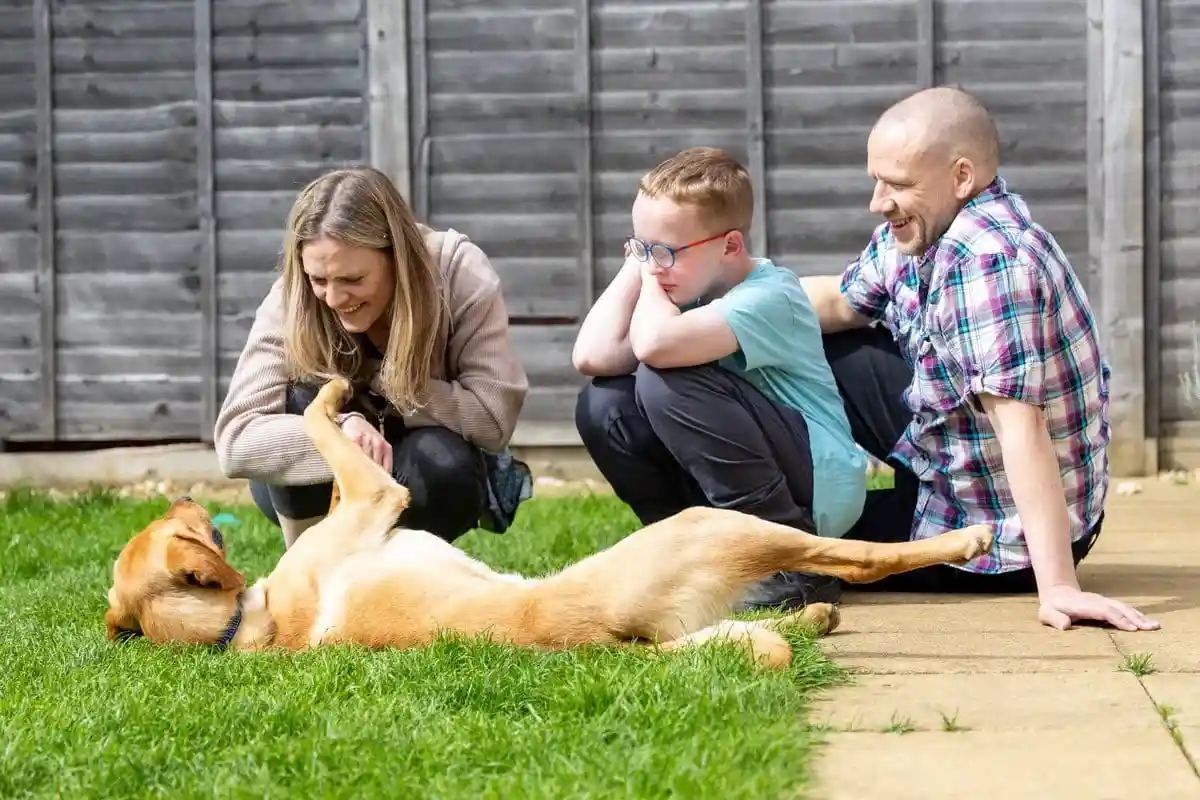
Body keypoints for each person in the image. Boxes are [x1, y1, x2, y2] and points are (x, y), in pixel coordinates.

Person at [800, 86, 1159, 632]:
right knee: (813, 343)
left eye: (897, 184)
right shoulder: (924, 229)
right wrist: (721, 310)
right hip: (955, 452)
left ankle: (759, 524)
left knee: (805, 544)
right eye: (876, 180)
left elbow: (1021, 429)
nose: (877, 201)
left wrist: (1058, 585)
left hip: (998, 535)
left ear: (961, 177)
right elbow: (839, 303)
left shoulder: (988, 262)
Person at [572, 147, 868, 611]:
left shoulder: (771, 295)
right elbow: (592, 355)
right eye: (640, 246)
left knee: (663, 380)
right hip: (753, 466)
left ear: (730, 245)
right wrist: (647, 258)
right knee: (604, 405)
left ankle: (790, 565)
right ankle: (684, 560)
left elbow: (653, 346)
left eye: (667, 251)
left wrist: (648, 274)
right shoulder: (680, 285)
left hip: (815, 487)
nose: (653, 265)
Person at [214, 166, 532, 547]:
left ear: (397, 258)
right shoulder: (292, 296)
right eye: (319, 280)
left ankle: (408, 584)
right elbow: (235, 440)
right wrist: (340, 430)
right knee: (302, 399)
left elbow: (494, 419)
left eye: (353, 280)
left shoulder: (458, 273)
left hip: (421, 464)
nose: (333, 299)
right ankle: (308, 581)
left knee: (444, 465)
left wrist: (391, 385)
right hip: (316, 479)